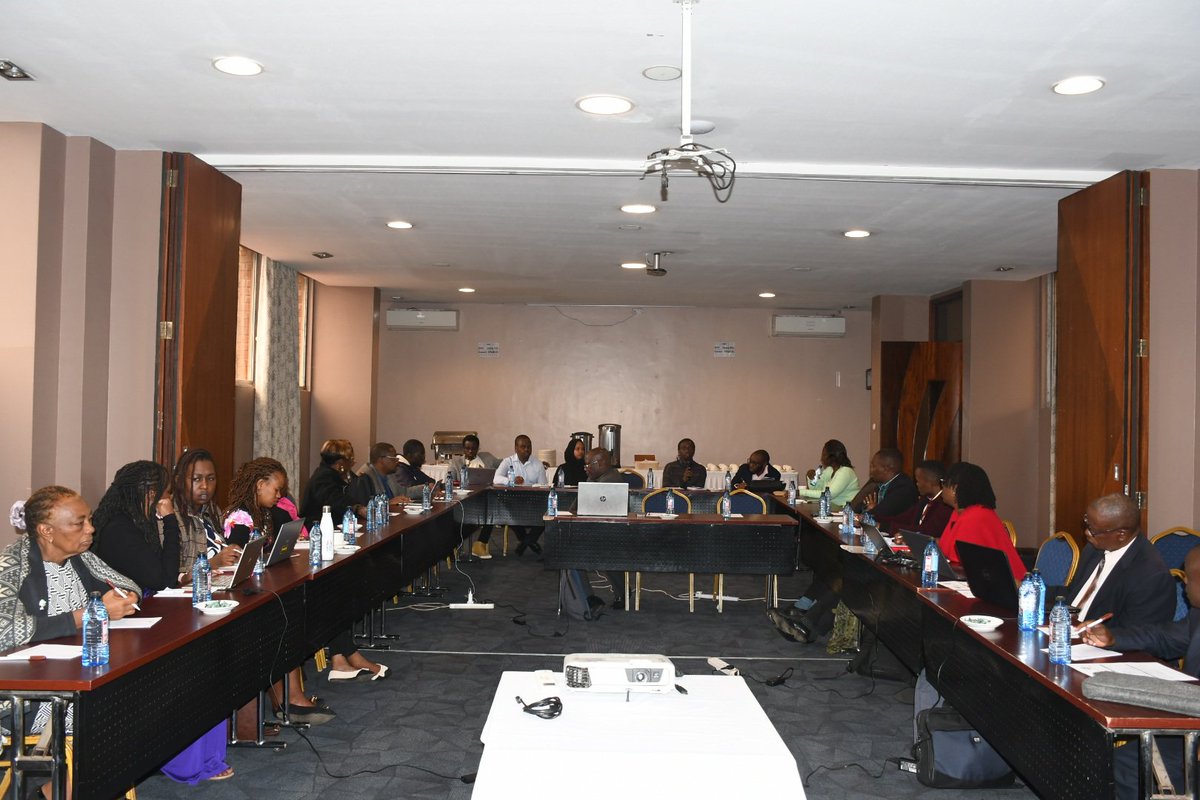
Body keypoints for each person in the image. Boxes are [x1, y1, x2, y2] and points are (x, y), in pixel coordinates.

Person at [2, 487, 232, 787]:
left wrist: (123, 597)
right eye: (80, 523)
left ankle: (62, 789)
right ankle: (58, 790)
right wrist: (91, 614)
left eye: (90, 520)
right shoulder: (12, 566)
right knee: (121, 715)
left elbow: (129, 584)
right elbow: (6, 630)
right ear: (46, 531)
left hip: (84, 675)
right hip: (32, 694)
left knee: (163, 689)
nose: (91, 529)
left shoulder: (82, 558)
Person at [1083, 546, 1200, 799]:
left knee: (1126, 766)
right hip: (1189, 715)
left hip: (1194, 730)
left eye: (1188, 578)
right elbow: (1162, 636)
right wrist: (1114, 638)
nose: (1184, 584)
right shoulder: (1197, 615)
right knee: (1109, 757)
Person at [1053, 492, 1175, 627]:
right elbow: (1073, 594)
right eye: (1087, 524)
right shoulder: (1094, 549)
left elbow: (1140, 635)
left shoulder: (1151, 576)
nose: (1087, 533)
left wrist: (1101, 635)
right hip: (1066, 629)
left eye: (1093, 530)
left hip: (1098, 644)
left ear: (1121, 535)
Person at [90, 460, 182, 591]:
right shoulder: (120, 530)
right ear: (152, 494)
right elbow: (165, 582)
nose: (170, 498)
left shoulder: (135, 522)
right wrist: (170, 520)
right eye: (168, 492)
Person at [938, 462, 1026, 581]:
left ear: (954, 489)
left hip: (1008, 588)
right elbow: (947, 550)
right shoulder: (958, 513)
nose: (941, 488)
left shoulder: (975, 517)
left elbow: (960, 564)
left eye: (944, 483)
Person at [171, 448, 241, 579]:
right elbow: (174, 578)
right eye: (196, 479)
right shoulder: (169, 517)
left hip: (221, 580)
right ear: (178, 480)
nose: (205, 486)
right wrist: (215, 562)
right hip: (195, 592)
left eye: (211, 478)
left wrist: (233, 554)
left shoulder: (212, 510)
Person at [579, 447, 628, 608]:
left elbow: (580, 507)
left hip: (612, 533)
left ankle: (620, 594)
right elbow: (578, 506)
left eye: (588, 465)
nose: (586, 468)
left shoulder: (611, 479)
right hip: (599, 530)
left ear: (601, 463)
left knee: (575, 549)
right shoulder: (595, 478)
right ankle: (583, 594)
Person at [493, 435, 548, 555]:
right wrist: (510, 480)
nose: (527, 449)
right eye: (523, 447)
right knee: (508, 512)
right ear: (516, 448)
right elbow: (496, 478)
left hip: (533, 501)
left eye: (529, 447)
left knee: (548, 513)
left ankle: (525, 542)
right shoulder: (508, 462)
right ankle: (530, 541)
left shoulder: (537, 464)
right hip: (514, 502)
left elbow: (544, 486)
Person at [453, 435, 500, 558]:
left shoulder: (487, 458)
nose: (470, 451)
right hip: (464, 500)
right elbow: (451, 481)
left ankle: (480, 544)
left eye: (473, 449)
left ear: (478, 448)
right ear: (463, 449)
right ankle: (453, 545)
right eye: (467, 448)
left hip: (485, 498)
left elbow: (504, 464)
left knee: (492, 511)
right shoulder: (456, 463)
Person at [300, 439, 358, 528]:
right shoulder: (322, 478)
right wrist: (358, 508)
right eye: (350, 459)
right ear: (340, 463)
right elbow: (336, 500)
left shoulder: (334, 474)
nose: (353, 462)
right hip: (318, 529)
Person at [859, 448, 919, 532]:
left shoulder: (903, 488)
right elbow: (858, 507)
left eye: (873, 466)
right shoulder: (879, 485)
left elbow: (880, 513)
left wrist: (872, 510)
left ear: (886, 469)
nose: (871, 470)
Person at [797, 440, 860, 507]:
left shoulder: (846, 472)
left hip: (846, 512)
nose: (822, 458)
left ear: (832, 456)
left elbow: (828, 495)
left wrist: (800, 492)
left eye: (824, 454)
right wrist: (811, 478)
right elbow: (817, 489)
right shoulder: (829, 470)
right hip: (833, 510)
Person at [349, 441, 405, 510]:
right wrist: (388, 503)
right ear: (381, 460)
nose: (397, 461)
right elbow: (365, 505)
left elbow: (403, 492)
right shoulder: (365, 477)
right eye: (393, 458)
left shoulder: (390, 474)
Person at [908, 460, 953, 537]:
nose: (917, 484)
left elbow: (927, 531)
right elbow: (905, 518)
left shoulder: (945, 506)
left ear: (931, 482)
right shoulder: (925, 500)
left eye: (918, 481)